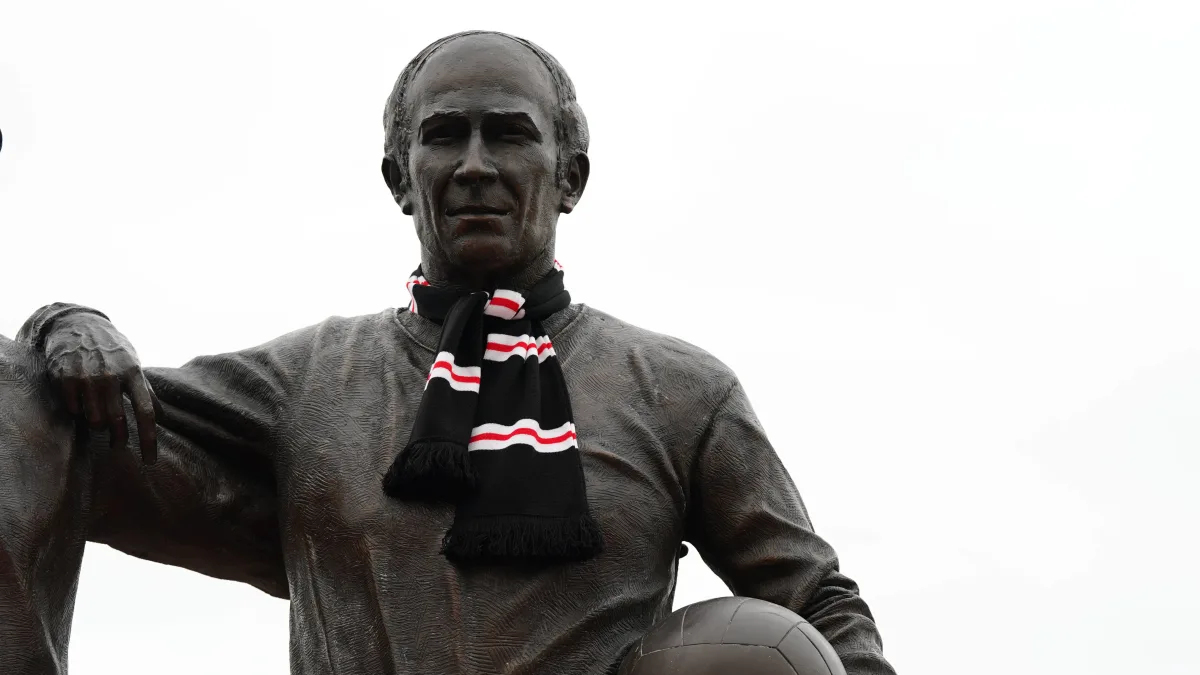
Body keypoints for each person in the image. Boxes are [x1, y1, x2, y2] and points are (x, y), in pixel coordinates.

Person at [6, 31, 895, 675]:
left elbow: (817, 603)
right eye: (443, 135)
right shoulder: (312, 377)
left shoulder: (678, 390)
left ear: (570, 176)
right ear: (400, 178)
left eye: (509, 133)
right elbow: (78, 407)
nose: (474, 163)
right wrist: (63, 320)